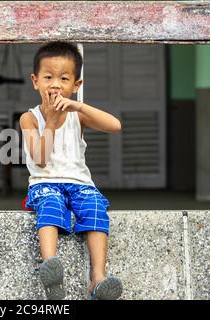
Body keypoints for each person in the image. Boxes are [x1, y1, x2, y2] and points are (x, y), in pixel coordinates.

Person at [19, 41, 123, 300]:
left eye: (64, 78)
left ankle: (97, 279)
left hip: (79, 183)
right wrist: (51, 124)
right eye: (48, 77)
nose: (55, 84)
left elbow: (115, 125)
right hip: (45, 182)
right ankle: (51, 269)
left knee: (96, 208)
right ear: (35, 81)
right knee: (52, 205)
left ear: (76, 85)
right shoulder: (29, 118)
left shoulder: (78, 115)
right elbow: (40, 159)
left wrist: (78, 106)